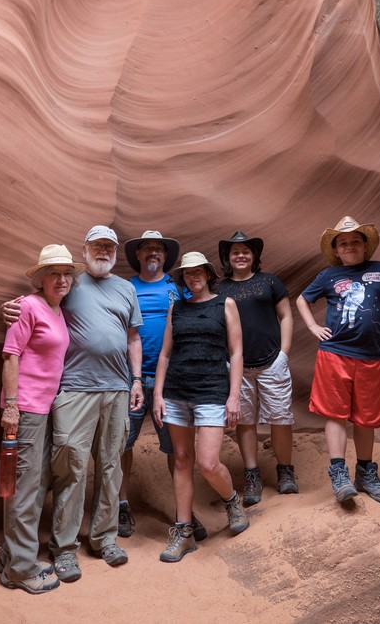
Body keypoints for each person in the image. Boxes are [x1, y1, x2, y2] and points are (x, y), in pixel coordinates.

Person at [0, 225, 143, 582]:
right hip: (75, 391)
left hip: (117, 388)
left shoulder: (126, 289)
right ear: (85, 249)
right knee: (71, 468)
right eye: (97, 245)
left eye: (109, 246)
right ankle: (64, 549)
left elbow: (133, 337)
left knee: (111, 465)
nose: (103, 251)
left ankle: (104, 538)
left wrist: (137, 379)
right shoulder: (70, 286)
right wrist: (12, 307)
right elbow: (35, 304)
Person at [296, 216, 380, 504]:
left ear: (365, 245)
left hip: (370, 357)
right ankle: (339, 474)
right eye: (343, 243)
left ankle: (365, 472)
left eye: (354, 241)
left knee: (366, 417)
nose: (349, 246)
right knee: (336, 413)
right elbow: (303, 299)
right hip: (335, 353)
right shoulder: (328, 276)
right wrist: (313, 327)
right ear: (336, 250)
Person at [0, 244, 86, 594]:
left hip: (44, 408)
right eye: (55, 273)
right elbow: (10, 356)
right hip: (26, 407)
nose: (63, 279)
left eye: (67, 274)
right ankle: (20, 569)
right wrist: (11, 406)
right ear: (41, 278)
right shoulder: (28, 306)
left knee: (32, 484)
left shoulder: (56, 310)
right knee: (24, 487)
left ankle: (11, 556)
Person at [153, 252, 249, 563]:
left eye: (198, 272)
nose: (193, 277)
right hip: (177, 392)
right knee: (182, 458)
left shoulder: (225, 304)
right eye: (187, 274)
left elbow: (236, 353)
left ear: (208, 274)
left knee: (208, 463)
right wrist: (157, 393)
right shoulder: (176, 308)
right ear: (182, 278)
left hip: (212, 391)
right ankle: (184, 532)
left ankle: (231, 500)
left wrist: (234, 395)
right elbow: (165, 355)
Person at [119, 231, 206, 542]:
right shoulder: (127, 287)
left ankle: (184, 513)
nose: (153, 253)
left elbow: (199, 314)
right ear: (139, 256)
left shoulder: (178, 288)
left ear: (166, 257)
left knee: (177, 449)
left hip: (171, 379)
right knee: (123, 444)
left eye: (158, 249)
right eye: (147, 249)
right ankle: (121, 504)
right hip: (133, 378)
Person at [217, 231, 298, 505]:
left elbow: (286, 315)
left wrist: (284, 353)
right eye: (235, 252)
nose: (241, 255)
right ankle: (252, 475)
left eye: (246, 251)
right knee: (244, 421)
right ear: (227, 258)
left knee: (281, 417)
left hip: (272, 361)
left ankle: (285, 471)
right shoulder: (220, 289)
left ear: (254, 256)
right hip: (237, 366)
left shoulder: (270, 282)